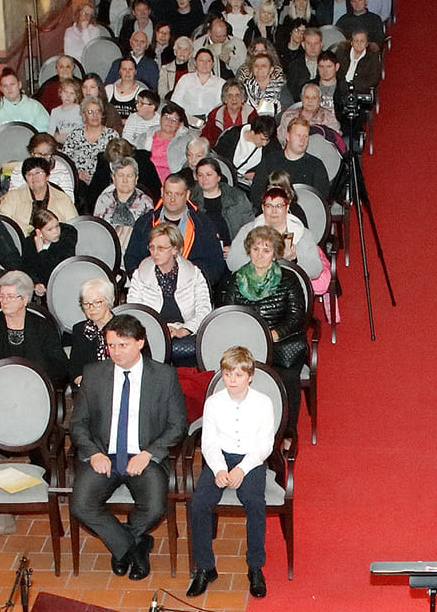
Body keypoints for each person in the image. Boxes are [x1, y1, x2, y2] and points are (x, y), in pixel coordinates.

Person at [69, 314, 182, 579]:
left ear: (140, 342)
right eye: (111, 346)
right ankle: (132, 547)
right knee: (81, 506)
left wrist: (150, 453)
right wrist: (94, 453)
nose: (116, 352)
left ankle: (122, 544)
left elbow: (178, 425)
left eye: (123, 345)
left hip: (143, 454)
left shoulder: (164, 376)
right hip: (103, 453)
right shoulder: (94, 374)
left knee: (155, 508)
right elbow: (78, 423)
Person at [188, 345, 278, 599]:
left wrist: (241, 469)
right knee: (199, 503)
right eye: (228, 375)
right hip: (221, 457)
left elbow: (264, 445)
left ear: (249, 376)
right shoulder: (214, 403)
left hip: (251, 459)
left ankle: (255, 567)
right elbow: (208, 442)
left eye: (238, 375)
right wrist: (218, 468)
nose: (232, 380)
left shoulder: (263, 403)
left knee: (254, 501)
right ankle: (205, 567)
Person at [215, 223, 312, 373]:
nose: (260, 255)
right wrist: (252, 336)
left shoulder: (289, 279)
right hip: (245, 344)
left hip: (279, 343)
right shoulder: (235, 279)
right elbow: (229, 316)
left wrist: (273, 334)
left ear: (275, 253)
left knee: (288, 376)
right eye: (255, 249)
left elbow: (296, 317)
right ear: (249, 251)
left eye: (266, 251)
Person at [0, 268, 69, 389]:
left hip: (34, 389)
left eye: (10, 297)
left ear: (25, 299)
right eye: (2, 296)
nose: (4, 301)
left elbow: (59, 366)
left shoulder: (43, 327)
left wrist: (39, 383)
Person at [124, 225, 213, 365]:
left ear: (175, 249)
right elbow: (134, 311)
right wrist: (155, 331)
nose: (154, 253)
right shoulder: (141, 274)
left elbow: (204, 310)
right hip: (150, 333)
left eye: (161, 248)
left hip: (185, 331)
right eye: (152, 247)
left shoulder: (193, 274)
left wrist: (184, 330)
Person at [0, 68, 50, 156]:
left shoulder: (35, 107)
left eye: (12, 84)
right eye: (5, 86)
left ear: (19, 84)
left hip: (30, 154)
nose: (9, 88)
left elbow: (44, 131)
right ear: (1, 88)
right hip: (1, 154)